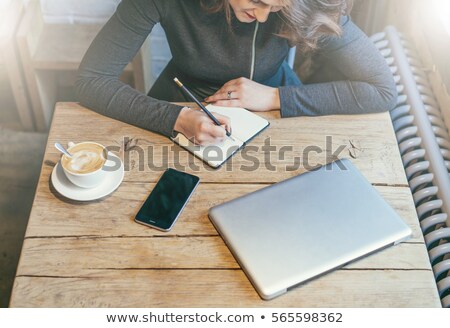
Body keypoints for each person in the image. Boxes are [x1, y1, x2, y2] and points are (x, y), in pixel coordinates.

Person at [76, 0, 397, 146]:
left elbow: (382, 90)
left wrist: (273, 96)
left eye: (275, 8)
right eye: (257, 1)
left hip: (277, 106)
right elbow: (91, 80)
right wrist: (176, 119)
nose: (261, 16)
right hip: (183, 104)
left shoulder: (306, 4)